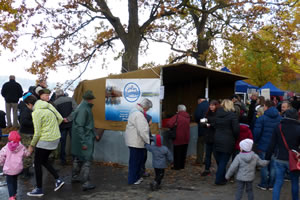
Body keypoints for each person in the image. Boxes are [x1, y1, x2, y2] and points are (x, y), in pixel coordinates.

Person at [24, 95, 65, 197]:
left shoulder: (36, 112)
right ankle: (58, 179)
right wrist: (53, 128)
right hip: (55, 138)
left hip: (45, 139)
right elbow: (60, 118)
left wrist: (31, 146)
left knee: (37, 163)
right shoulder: (48, 105)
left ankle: (39, 189)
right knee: (44, 160)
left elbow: (37, 133)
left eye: (27, 106)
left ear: (30, 104)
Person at [266, 108, 300, 200]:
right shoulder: (298, 128)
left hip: (279, 158)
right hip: (294, 159)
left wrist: (267, 158)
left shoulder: (278, 126)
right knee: (295, 182)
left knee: (278, 182)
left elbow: (271, 144)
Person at [71, 90, 100, 191]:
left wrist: (95, 134)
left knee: (78, 158)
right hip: (85, 138)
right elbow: (80, 126)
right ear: (90, 99)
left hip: (80, 138)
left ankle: (74, 177)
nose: (93, 101)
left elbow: (77, 121)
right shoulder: (85, 109)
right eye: (92, 99)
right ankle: (86, 182)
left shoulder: (81, 106)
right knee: (87, 160)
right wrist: (83, 142)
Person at [253, 100, 281, 190]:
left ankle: (264, 184)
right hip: (276, 146)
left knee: (264, 165)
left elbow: (257, 132)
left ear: (266, 106)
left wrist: (255, 141)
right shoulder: (280, 119)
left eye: (264, 106)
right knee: (273, 165)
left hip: (263, 145)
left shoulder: (262, 118)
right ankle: (271, 184)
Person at [124, 98, 152, 185]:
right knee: (135, 162)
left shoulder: (134, 111)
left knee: (136, 161)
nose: (148, 110)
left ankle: (136, 177)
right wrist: (148, 141)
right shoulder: (139, 115)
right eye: (148, 109)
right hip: (136, 142)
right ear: (145, 107)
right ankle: (133, 179)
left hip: (133, 141)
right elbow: (143, 130)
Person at [214, 99, 240, 185]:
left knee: (220, 161)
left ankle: (222, 177)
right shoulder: (232, 115)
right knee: (223, 161)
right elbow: (236, 130)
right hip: (228, 141)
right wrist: (235, 138)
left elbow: (214, 126)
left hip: (217, 139)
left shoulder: (217, 114)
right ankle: (219, 179)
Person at [0, 131, 31, 200]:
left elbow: (1, 157)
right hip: (18, 169)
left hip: (9, 169)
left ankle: (11, 196)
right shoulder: (21, 147)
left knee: (10, 182)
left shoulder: (5, 148)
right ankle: (14, 193)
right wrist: (30, 150)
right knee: (15, 180)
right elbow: (27, 154)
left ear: (9, 138)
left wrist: (2, 164)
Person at [54, 89, 77, 165]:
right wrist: (69, 118)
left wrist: (63, 119)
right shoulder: (70, 99)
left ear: (56, 95)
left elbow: (55, 115)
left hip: (62, 125)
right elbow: (76, 110)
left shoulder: (55, 103)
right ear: (63, 93)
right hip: (71, 124)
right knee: (74, 141)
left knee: (62, 143)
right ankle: (75, 159)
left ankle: (63, 160)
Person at [166, 104, 190, 170]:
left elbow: (168, 124)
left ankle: (177, 166)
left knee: (177, 152)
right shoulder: (188, 116)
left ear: (178, 109)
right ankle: (182, 166)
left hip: (178, 137)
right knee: (183, 152)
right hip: (186, 137)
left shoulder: (177, 116)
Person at [18, 92, 35, 178]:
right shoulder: (26, 111)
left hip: (27, 133)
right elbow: (23, 122)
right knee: (28, 152)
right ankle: (25, 172)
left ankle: (25, 171)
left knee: (27, 152)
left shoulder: (26, 110)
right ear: (29, 104)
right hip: (26, 134)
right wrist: (34, 123)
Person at [200, 100, 219, 176]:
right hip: (208, 136)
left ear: (216, 106)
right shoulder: (207, 113)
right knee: (207, 155)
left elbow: (218, 124)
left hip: (215, 137)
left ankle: (220, 169)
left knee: (216, 155)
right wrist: (204, 124)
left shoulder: (219, 114)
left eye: (213, 105)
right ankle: (207, 169)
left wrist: (210, 125)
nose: (211, 106)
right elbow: (202, 123)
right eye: (210, 105)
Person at [194, 97, 209, 165]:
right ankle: (207, 160)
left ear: (200, 100)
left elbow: (197, 116)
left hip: (202, 128)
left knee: (200, 144)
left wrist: (199, 122)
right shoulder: (210, 104)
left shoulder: (200, 105)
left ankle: (199, 161)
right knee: (208, 146)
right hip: (210, 129)